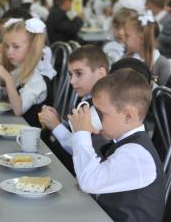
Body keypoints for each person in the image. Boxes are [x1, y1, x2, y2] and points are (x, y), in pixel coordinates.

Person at [69, 69, 165, 221]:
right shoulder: (127, 144)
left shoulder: (136, 155)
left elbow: (89, 181)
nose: (96, 117)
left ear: (128, 116)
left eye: (101, 113)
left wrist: (82, 133)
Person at [38, 45, 109, 173]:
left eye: (79, 73)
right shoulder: (87, 98)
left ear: (101, 73)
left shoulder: (102, 107)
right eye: (71, 75)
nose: (72, 81)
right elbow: (78, 131)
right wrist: (61, 121)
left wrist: (56, 126)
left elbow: (81, 148)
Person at [0, 18, 52, 126]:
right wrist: (1, 67)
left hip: (32, 136)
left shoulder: (37, 79)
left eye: (16, 47)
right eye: (7, 46)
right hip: (15, 127)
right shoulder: (20, 69)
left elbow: (18, 110)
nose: (9, 52)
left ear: (31, 48)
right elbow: (4, 86)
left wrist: (7, 77)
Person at [123, 9, 171, 85]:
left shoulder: (162, 65)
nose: (123, 39)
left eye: (127, 36)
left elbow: (163, 95)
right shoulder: (126, 58)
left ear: (141, 39)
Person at [0, 8, 32, 72]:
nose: (4, 42)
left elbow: (15, 80)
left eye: (16, 46)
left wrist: (3, 65)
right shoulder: (4, 48)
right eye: (3, 37)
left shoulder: (35, 60)